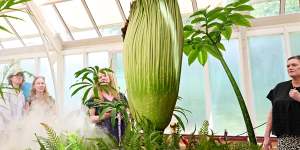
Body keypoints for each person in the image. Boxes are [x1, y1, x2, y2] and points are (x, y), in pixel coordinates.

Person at [263, 55, 300, 150]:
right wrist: (266, 137)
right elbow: (272, 112)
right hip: (285, 139)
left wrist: (299, 97)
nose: (290, 68)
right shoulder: (280, 87)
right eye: (288, 66)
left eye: (294, 65)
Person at [86, 71, 127, 143]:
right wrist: (106, 115)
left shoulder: (120, 96)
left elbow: (128, 114)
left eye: (105, 76)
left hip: (122, 133)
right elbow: (91, 118)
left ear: (110, 78)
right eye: (100, 77)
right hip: (103, 136)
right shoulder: (94, 98)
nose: (102, 78)